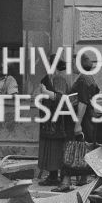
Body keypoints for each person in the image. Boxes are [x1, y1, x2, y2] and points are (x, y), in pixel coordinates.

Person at [37, 60, 74, 189]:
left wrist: (46, 93)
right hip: (51, 120)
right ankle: (53, 176)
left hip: (59, 121)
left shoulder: (59, 78)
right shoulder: (51, 77)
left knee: (57, 150)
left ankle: (60, 178)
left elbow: (62, 99)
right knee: (52, 149)